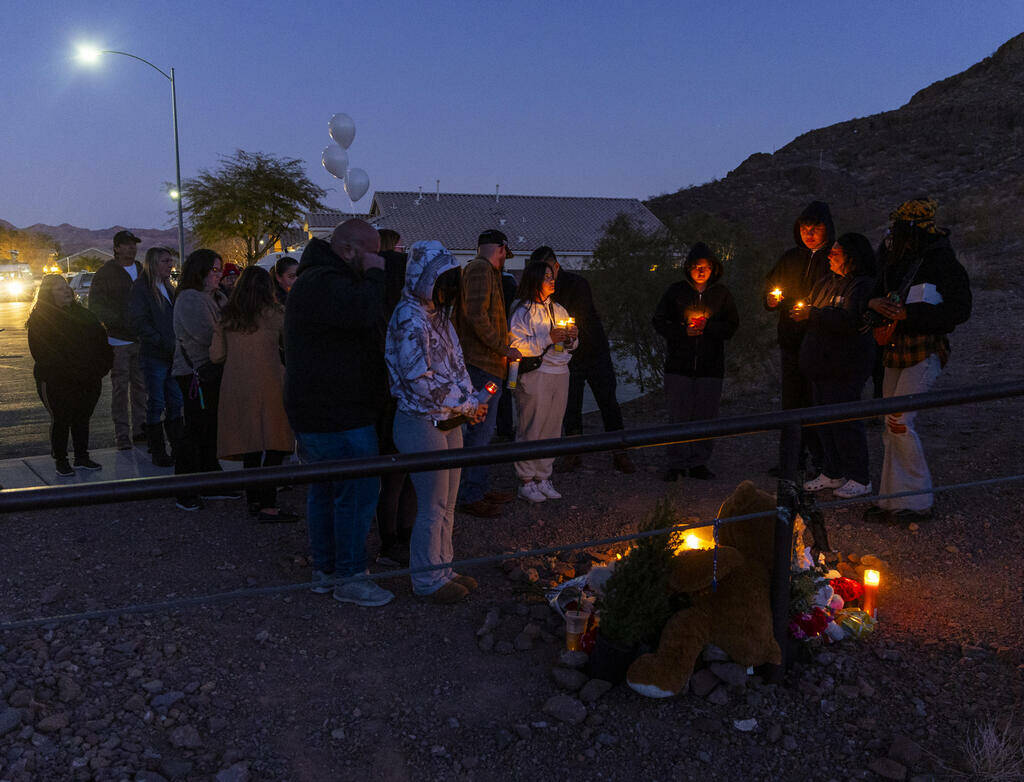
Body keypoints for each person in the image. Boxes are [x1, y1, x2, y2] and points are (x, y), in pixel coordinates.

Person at [284, 218, 394, 607]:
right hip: (338, 410)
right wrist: (376, 277)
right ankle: (350, 576)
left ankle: (326, 570)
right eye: (373, 254)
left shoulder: (315, 280)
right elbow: (364, 312)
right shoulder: (325, 284)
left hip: (319, 407)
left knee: (326, 490)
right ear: (349, 250)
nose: (379, 261)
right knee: (356, 491)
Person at [386, 240, 489, 603]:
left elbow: (458, 365)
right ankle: (427, 580)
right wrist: (465, 403)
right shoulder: (407, 317)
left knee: (447, 503)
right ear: (424, 278)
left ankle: (443, 568)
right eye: (441, 282)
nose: (447, 291)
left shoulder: (439, 317)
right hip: (420, 421)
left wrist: (471, 402)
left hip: (448, 420)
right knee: (432, 504)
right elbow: (418, 378)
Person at [863, 198, 972, 523]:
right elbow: (880, 291)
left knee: (900, 422)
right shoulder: (895, 259)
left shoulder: (943, 264)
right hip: (894, 349)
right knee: (890, 424)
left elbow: (959, 310)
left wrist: (911, 314)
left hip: (923, 348)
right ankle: (892, 501)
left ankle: (918, 500)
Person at [791, 233, 877, 498]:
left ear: (851, 257)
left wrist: (814, 315)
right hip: (820, 367)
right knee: (824, 421)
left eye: (836, 252)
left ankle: (860, 477)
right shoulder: (826, 282)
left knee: (845, 421)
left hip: (845, 367)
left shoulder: (863, 286)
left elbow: (851, 322)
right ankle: (833, 472)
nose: (830, 254)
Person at [211, 266, 298, 522]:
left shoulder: (226, 316)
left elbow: (215, 355)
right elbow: (291, 344)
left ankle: (254, 500)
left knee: (249, 445)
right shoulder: (276, 314)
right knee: (274, 444)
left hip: (237, 386)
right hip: (272, 382)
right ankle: (269, 505)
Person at [542, 247, 636, 474]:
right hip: (568, 356)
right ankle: (574, 451)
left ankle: (619, 450)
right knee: (571, 405)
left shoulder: (577, 283)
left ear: (555, 266)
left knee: (608, 401)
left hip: (594, 352)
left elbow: (578, 314)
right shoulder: (542, 290)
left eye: (546, 270)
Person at [652, 242, 739, 481]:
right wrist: (682, 331)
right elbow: (659, 321)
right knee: (677, 415)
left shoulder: (721, 294)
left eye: (706, 267)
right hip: (678, 366)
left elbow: (731, 326)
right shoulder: (675, 291)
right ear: (688, 268)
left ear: (714, 268)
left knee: (705, 415)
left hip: (710, 367)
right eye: (696, 266)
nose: (701, 271)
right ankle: (676, 462)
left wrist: (708, 327)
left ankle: (699, 462)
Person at [764, 201, 835, 480]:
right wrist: (771, 301)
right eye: (805, 228)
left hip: (820, 342)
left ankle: (823, 461)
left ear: (827, 229)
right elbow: (771, 288)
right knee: (792, 401)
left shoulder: (835, 257)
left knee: (817, 400)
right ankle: (791, 460)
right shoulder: (790, 257)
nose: (810, 233)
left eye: (815, 228)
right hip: (791, 340)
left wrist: (813, 315)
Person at [453, 229, 521, 518]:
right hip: (481, 363)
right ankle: (471, 495)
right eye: (506, 253)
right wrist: (502, 347)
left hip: (487, 362)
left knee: (483, 431)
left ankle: (477, 487)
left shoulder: (483, 270)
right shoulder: (480, 269)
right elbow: (476, 315)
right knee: (479, 430)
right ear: (502, 248)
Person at [27, 275, 113, 477]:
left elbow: (102, 344)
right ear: (48, 293)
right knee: (62, 418)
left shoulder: (85, 315)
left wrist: (101, 368)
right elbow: (42, 353)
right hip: (56, 380)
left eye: (66, 287)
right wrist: (71, 372)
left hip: (89, 379)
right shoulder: (40, 319)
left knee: (82, 417)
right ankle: (61, 459)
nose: (66, 291)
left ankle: (82, 457)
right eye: (59, 288)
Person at [508, 261, 578, 503]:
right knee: (532, 426)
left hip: (560, 371)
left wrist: (571, 339)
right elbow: (516, 347)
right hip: (535, 373)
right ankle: (526, 480)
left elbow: (570, 345)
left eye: (552, 276)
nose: (551, 280)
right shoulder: (523, 312)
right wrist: (547, 338)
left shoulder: (559, 309)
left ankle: (543, 476)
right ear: (534, 280)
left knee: (552, 426)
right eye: (546, 276)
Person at [172, 249, 234, 512]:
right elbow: (207, 335)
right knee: (195, 428)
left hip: (215, 369)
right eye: (215, 270)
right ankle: (184, 487)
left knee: (210, 428)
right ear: (201, 271)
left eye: (220, 270)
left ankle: (210, 479)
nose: (219, 275)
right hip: (195, 371)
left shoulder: (217, 297)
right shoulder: (190, 299)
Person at [375, 228, 415, 567]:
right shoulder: (404, 316)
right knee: (401, 471)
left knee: (395, 472)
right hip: (398, 398)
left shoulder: (371, 306)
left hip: (385, 397)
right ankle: (396, 537)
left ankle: (396, 536)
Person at [88, 229, 147, 450]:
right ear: (116, 248)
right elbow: (96, 306)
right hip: (119, 341)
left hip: (140, 339)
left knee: (141, 387)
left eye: (133, 244)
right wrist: (116, 323)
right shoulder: (105, 273)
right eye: (127, 244)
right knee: (121, 389)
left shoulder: (142, 270)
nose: (132, 247)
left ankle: (141, 429)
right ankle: (122, 433)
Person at [127, 246, 183, 468]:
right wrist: (161, 341)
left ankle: (178, 447)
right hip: (155, 354)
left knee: (175, 401)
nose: (170, 265)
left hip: (171, 354)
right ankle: (158, 450)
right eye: (165, 261)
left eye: (171, 261)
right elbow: (139, 322)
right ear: (153, 263)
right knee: (157, 402)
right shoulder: (142, 289)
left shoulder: (169, 289)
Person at [495, 268, 520, 441]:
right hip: (507, 339)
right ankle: (505, 428)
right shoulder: (510, 282)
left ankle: (501, 428)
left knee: (498, 389)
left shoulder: (502, 282)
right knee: (504, 390)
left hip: (499, 341)